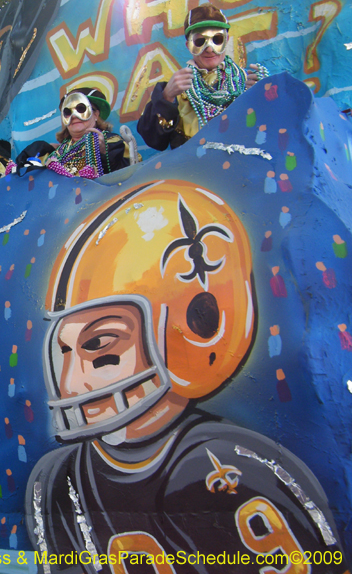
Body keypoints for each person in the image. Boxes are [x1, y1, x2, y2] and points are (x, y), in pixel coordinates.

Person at [25, 180, 346, 572]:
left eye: (101, 346)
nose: (73, 384)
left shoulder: (226, 469)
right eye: (64, 351)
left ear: (200, 321)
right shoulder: (58, 480)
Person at [137, 4, 268, 150]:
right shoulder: (177, 90)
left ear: (227, 40)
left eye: (217, 39)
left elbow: (268, 137)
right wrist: (166, 98)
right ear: (188, 45)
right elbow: (154, 141)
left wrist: (262, 99)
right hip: (192, 170)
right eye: (200, 41)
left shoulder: (247, 82)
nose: (210, 49)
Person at [9, 88, 131, 178]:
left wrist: (105, 153)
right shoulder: (54, 153)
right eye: (68, 112)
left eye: (81, 109)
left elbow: (127, 177)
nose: (74, 116)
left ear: (95, 114)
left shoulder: (113, 142)